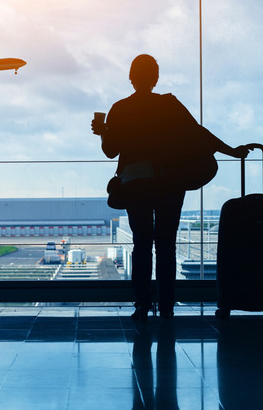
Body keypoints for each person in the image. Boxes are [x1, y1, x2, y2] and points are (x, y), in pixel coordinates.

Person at [92, 54, 249, 321]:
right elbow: (199, 133)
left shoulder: (120, 109)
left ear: (131, 78)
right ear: (156, 78)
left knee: (142, 245)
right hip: (169, 183)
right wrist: (230, 151)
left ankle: (141, 305)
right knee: (166, 245)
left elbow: (110, 151)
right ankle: (166, 306)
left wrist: (104, 131)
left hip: (135, 183)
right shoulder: (169, 105)